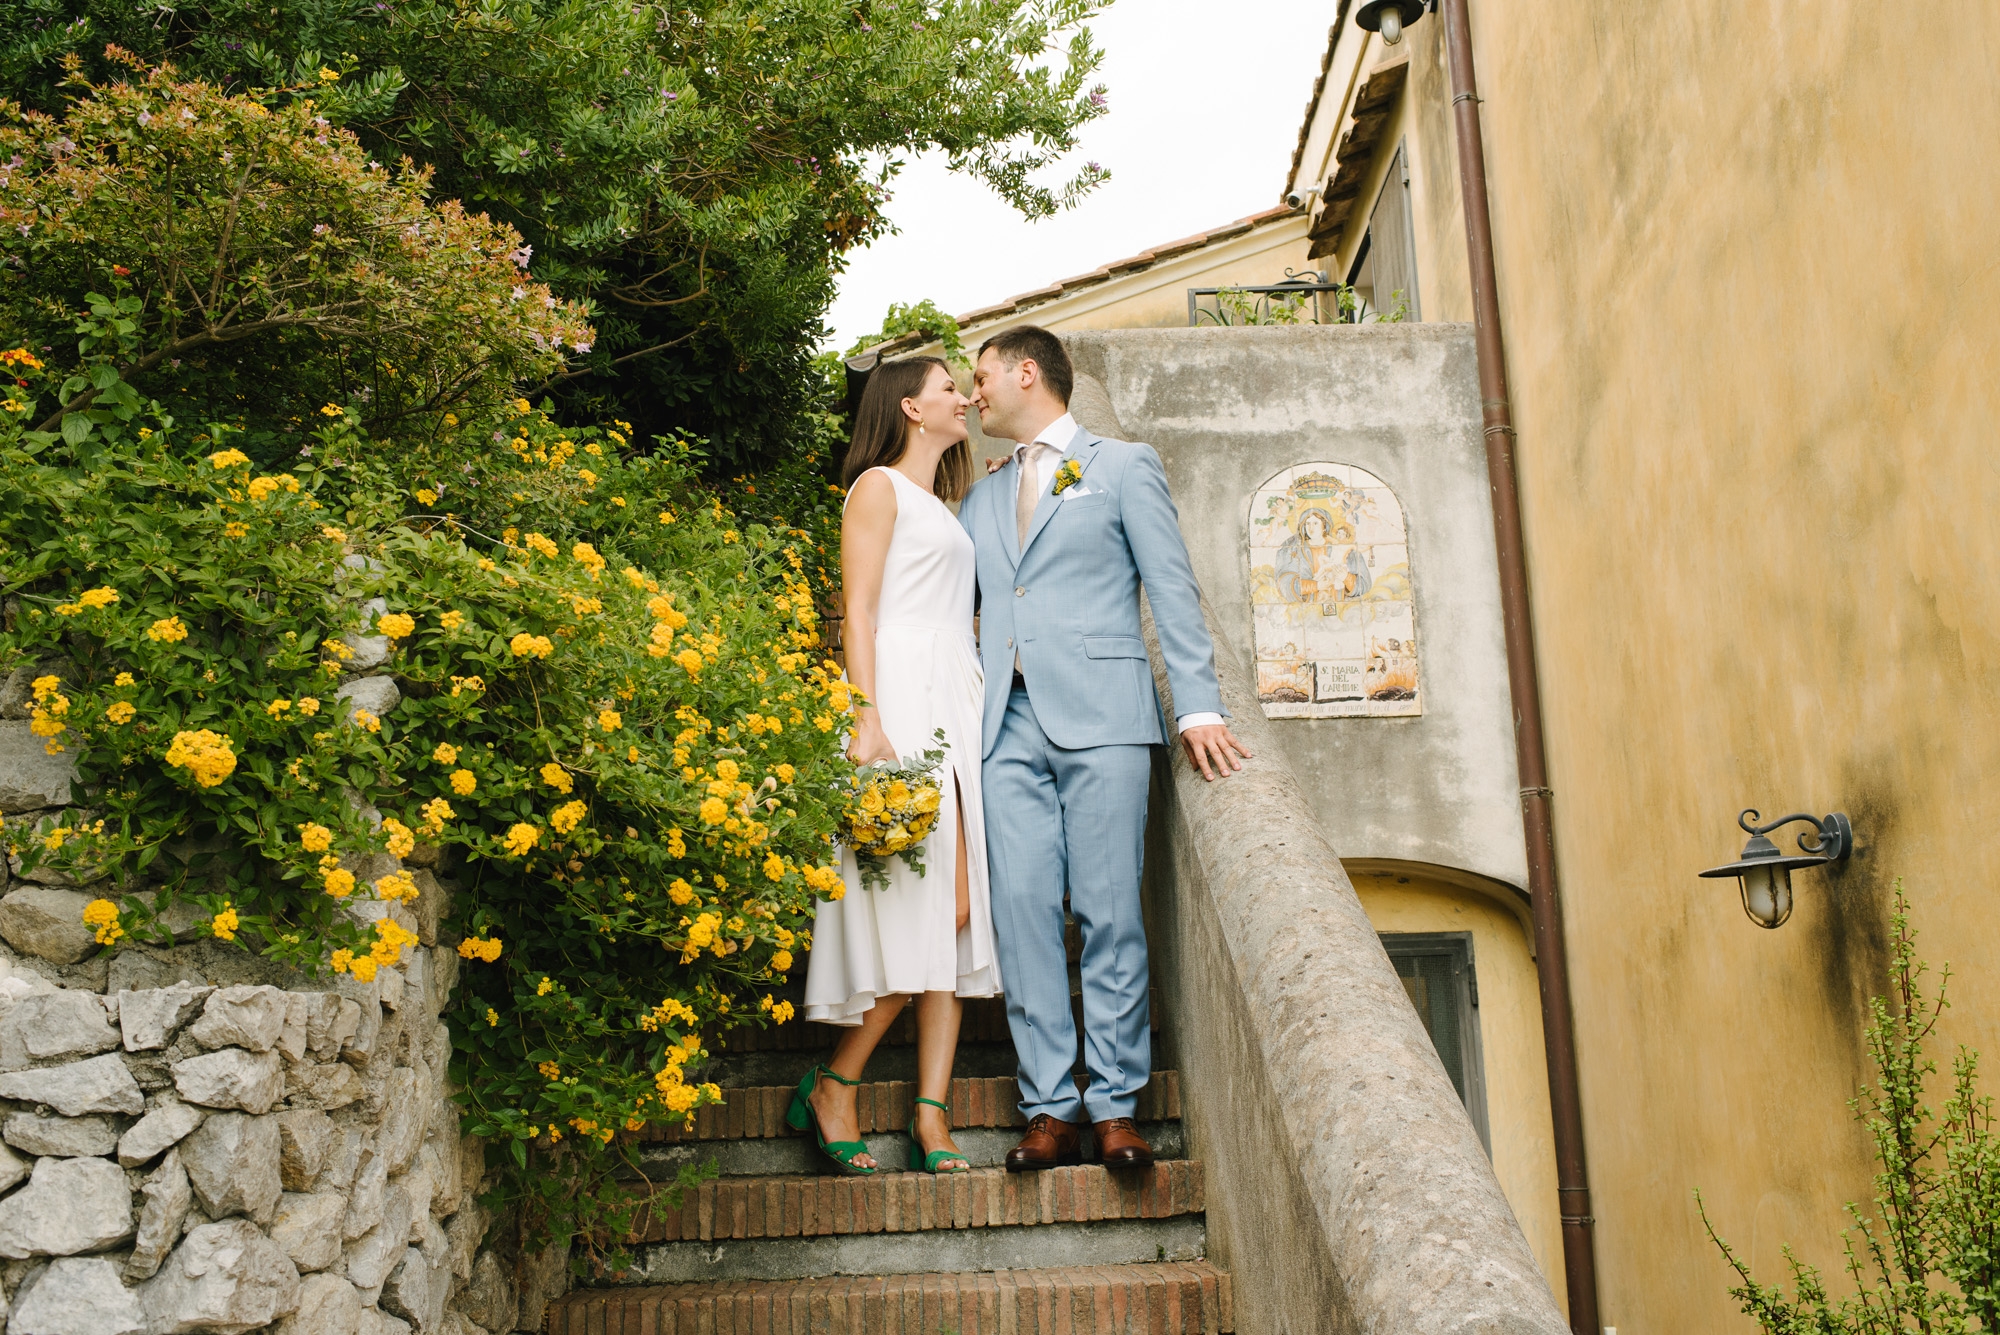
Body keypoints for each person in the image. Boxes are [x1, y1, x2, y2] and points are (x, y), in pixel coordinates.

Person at [960, 325, 1251, 1171]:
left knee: (1108, 909)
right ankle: (1049, 1105)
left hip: (1107, 719)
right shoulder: (979, 498)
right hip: (1003, 728)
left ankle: (1117, 1105)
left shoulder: (1123, 465)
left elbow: (1171, 587)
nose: (975, 393)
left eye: (981, 377)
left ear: (1026, 372)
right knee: (1021, 913)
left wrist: (1196, 704)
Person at [790, 357, 1003, 1175]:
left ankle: (931, 1114)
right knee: (929, 907)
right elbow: (861, 607)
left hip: (957, 693)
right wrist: (865, 713)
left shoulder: (946, 505)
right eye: (950, 386)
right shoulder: (877, 486)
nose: (962, 397)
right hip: (905, 699)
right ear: (912, 406)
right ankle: (837, 1083)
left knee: (953, 910)